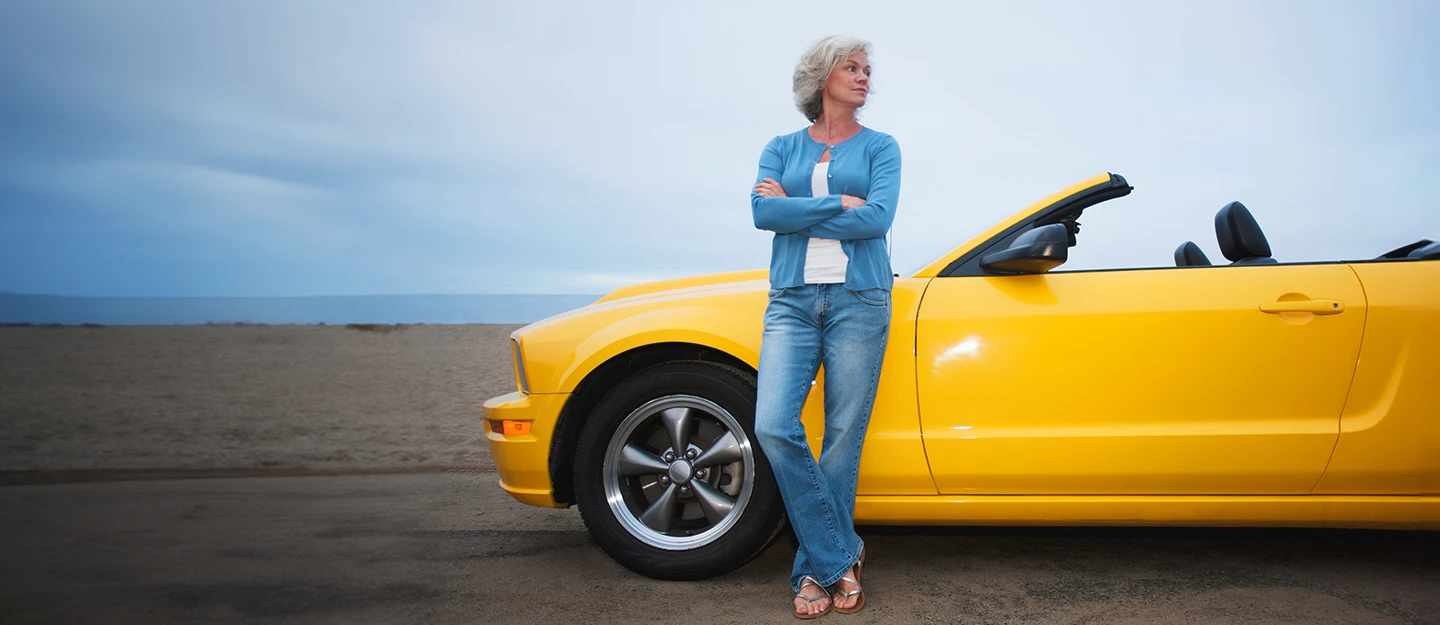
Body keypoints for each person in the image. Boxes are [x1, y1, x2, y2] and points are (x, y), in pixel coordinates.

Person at [750, 34, 901, 618]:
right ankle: (842, 557)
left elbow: (878, 219)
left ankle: (812, 572)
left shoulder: (882, 147)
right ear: (821, 77)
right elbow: (764, 213)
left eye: (868, 70)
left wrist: (799, 208)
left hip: (859, 299)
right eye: (852, 68)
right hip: (791, 300)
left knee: (842, 438)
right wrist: (840, 205)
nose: (864, 77)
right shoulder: (781, 146)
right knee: (773, 425)